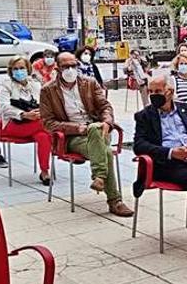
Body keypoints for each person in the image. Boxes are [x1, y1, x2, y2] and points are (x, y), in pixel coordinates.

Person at [133, 76, 187, 259]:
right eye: (150, 92)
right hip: (167, 164)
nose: (153, 95)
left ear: (170, 92)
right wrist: (172, 152)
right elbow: (139, 145)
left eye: (157, 91)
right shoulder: (145, 116)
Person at [40, 52, 133, 217]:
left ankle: (100, 177)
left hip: (99, 130)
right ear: (57, 68)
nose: (70, 69)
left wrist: (106, 122)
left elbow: (105, 107)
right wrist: (78, 128)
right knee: (106, 152)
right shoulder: (48, 90)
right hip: (72, 137)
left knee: (95, 129)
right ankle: (114, 199)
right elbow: (48, 123)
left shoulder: (89, 83)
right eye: (65, 66)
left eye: (73, 65)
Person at [0, 56, 52, 185]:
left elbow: (45, 104)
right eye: (15, 69)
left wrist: (40, 112)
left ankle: (45, 171)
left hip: (35, 124)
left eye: (22, 68)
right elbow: (4, 107)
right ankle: (63, 143)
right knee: (47, 125)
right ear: (11, 70)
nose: (19, 71)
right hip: (12, 124)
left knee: (43, 136)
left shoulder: (35, 84)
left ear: (28, 69)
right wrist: (24, 114)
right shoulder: (6, 84)